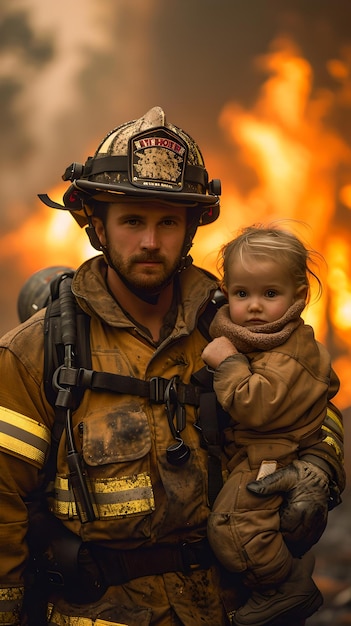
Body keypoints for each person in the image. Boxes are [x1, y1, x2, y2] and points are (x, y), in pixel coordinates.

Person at [0, 107, 345, 626]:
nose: (150, 242)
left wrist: (320, 468)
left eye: (167, 221)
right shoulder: (37, 353)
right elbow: (2, 513)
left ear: (189, 228)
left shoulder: (242, 324)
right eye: (133, 220)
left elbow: (314, 407)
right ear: (97, 224)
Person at [201, 224, 342, 626]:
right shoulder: (258, 336)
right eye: (243, 294)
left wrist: (229, 362)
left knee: (233, 525)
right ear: (226, 291)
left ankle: (284, 586)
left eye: (270, 294)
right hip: (251, 452)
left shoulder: (288, 351)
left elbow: (257, 405)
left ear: (299, 296)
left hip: (270, 458)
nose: (255, 306)